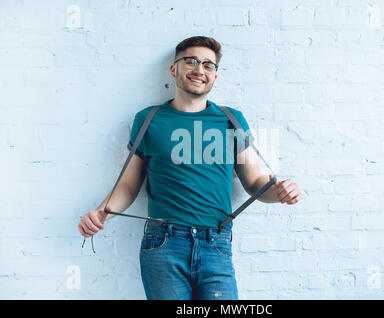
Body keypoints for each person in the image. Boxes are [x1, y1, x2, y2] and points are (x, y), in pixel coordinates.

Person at [78, 36, 303, 300]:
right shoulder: (148, 119)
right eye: (192, 61)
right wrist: (103, 213)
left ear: (215, 77)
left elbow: (254, 182)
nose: (200, 70)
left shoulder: (232, 120)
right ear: (174, 69)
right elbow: (128, 185)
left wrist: (278, 193)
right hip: (163, 244)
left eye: (209, 65)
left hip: (216, 244)